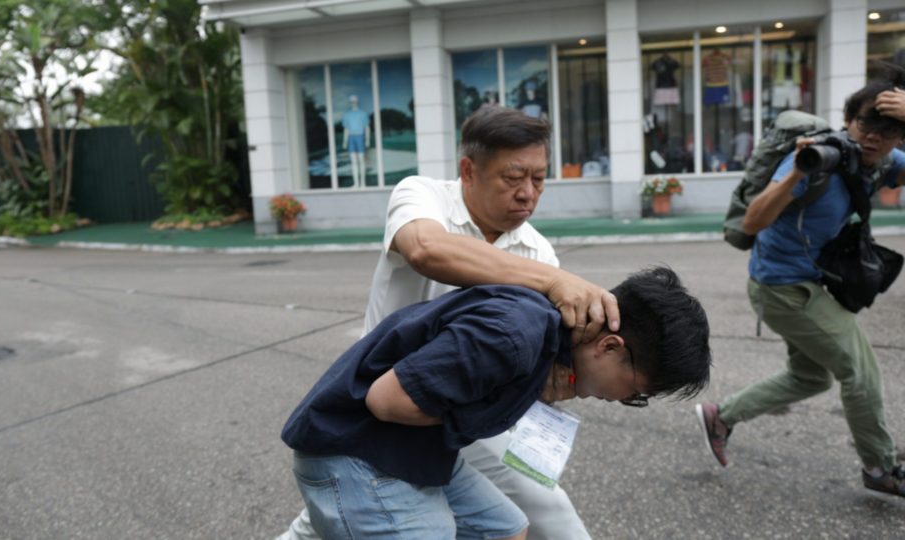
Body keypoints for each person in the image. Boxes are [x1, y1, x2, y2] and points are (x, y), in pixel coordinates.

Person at [278, 105, 620, 540]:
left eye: (539, 178)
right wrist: (553, 281)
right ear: (468, 170)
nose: (528, 193)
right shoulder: (422, 196)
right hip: (378, 402)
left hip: (461, 409)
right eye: (514, 178)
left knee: (547, 511)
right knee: (338, 511)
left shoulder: (537, 251)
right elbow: (425, 249)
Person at [283, 267, 712, 539]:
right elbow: (386, 401)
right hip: (352, 451)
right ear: (611, 346)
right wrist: (495, 406)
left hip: (404, 450)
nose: (624, 400)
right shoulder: (512, 336)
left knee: (505, 529)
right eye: (636, 392)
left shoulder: (547, 345)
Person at [695, 63, 905, 498]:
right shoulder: (815, 158)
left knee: (811, 377)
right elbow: (752, 221)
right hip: (782, 289)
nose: (874, 136)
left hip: (802, 282)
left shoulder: (883, 161)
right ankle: (880, 466)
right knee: (860, 370)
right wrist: (796, 173)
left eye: (889, 131)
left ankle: (721, 415)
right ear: (849, 120)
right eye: (867, 123)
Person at [341, 95, 370, 187]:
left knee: (361, 160)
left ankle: (363, 183)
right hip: (351, 138)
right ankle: (356, 183)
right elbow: (346, 129)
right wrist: (345, 141)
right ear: (350, 102)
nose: (353, 103)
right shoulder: (347, 115)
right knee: (353, 161)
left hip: (360, 137)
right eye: (352, 101)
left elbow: (367, 127)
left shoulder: (363, 114)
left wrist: (367, 140)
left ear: (357, 102)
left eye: (355, 101)